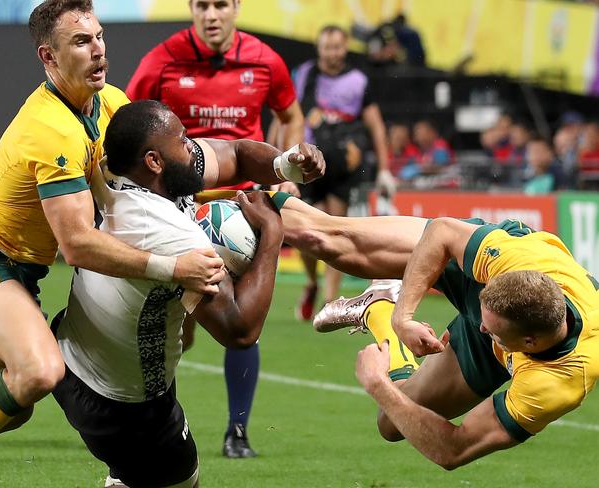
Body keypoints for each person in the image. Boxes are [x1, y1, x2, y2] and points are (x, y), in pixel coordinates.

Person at [0, 0, 310, 483]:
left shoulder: (111, 104)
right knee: (39, 373)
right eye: (81, 42)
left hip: (25, 273)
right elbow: (76, 245)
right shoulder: (48, 131)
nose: (98, 50)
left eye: (99, 37)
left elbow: (209, 158)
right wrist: (172, 268)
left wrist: (285, 165)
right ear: (48, 57)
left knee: (14, 407)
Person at [52, 100, 296, 488]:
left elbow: (234, 153)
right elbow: (240, 330)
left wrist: (286, 165)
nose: (191, 146)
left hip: (71, 356)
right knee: (184, 481)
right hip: (124, 403)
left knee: (134, 476)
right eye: (183, 140)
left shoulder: (109, 171)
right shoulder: (167, 232)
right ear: (153, 162)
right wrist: (272, 236)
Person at [276, 199, 599, 469]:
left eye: (491, 330)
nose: (483, 329)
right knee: (323, 239)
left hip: (501, 345)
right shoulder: (516, 259)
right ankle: (234, 185)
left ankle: (380, 309)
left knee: (391, 423)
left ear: (529, 343)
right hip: (485, 278)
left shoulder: (556, 383)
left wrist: (378, 385)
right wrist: (406, 317)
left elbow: (452, 450)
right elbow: (442, 231)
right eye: (484, 322)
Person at [125, 0, 305, 458]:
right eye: (202, 5)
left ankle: (237, 431)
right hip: (181, 206)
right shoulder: (161, 61)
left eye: (220, 4)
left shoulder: (265, 60)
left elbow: (290, 114)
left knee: (247, 318)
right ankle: (161, 422)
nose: (211, 14)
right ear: (191, 9)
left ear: (236, 8)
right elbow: (129, 122)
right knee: (177, 329)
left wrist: (288, 168)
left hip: (244, 206)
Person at [289, 25, 392, 322]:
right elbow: (288, 114)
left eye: (337, 47)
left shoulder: (359, 81)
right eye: (327, 47)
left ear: (345, 47)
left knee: (333, 229)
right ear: (318, 48)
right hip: (308, 162)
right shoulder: (304, 75)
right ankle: (311, 282)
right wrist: (275, 154)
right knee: (304, 233)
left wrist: (385, 169)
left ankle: (330, 301)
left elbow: (376, 126)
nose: (332, 53)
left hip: (344, 164)